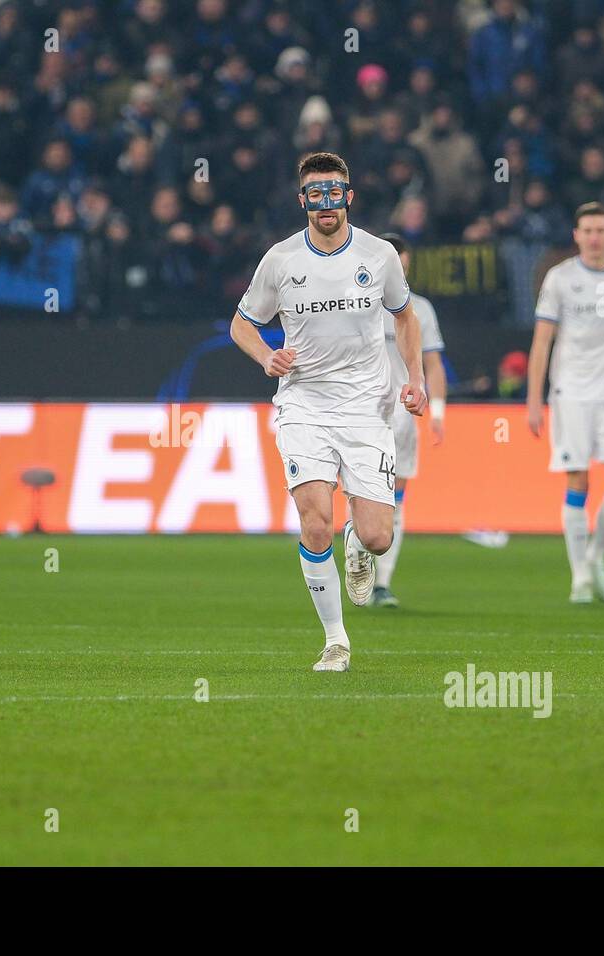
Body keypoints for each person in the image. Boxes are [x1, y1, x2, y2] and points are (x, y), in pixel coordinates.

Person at [230, 151, 427, 672]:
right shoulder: (280, 260)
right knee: (314, 521)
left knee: (378, 537)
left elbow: (405, 318)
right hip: (304, 405)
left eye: (334, 192)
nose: (325, 203)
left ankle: (357, 543)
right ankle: (335, 639)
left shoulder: (379, 254)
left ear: (348, 197)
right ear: (303, 201)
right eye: (315, 194)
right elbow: (241, 323)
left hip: (366, 407)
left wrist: (417, 380)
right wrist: (266, 356)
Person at [526, 202, 604, 604]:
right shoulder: (560, 279)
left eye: (601, 230)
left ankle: (596, 557)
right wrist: (534, 398)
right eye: (587, 230)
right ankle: (579, 575)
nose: (595, 237)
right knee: (578, 481)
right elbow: (542, 341)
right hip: (571, 393)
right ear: (576, 235)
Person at [371, 231, 448, 608]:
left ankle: (382, 581)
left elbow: (433, 364)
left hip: (402, 413)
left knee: (395, 498)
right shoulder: (359, 304)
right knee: (365, 495)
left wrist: (438, 412)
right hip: (361, 410)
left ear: (406, 262)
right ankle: (361, 559)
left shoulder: (421, 310)